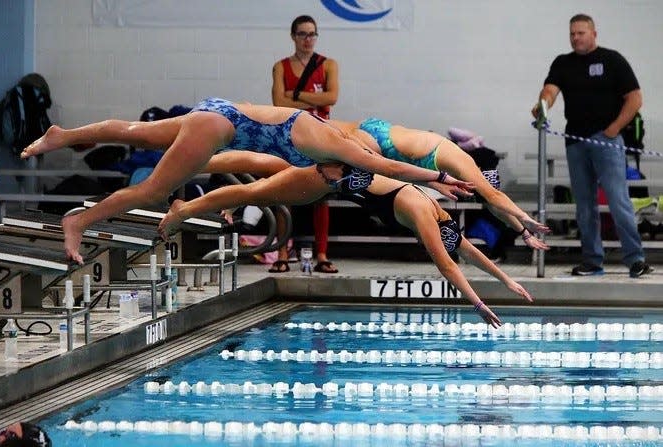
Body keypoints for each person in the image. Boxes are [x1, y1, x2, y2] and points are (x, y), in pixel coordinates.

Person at [20, 98, 450, 264]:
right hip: (217, 128)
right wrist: (439, 177)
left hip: (218, 114)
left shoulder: (330, 143)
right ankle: (79, 221)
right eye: (339, 180)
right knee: (153, 188)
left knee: (136, 131)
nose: (329, 181)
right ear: (344, 167)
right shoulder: (339, 150)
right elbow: (390, 169)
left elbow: (251, 158)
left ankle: (64, 135)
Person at [160, 151, 536, 327]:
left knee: (265, 176)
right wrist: (477, 304)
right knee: (260, 186)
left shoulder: (439, 212)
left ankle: (196, 175)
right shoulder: (425, 216)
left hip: (342, 179)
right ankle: (185, 200)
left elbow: (466, 250)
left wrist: (507, 280)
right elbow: (447, 264)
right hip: (332, 178)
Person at [532, 13, 652, 278]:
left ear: (594, 34)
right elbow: (550, 91)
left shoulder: (612, 60)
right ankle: (592, 261)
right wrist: (542, 105)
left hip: (606, 141)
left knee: (618, 201)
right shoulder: (563, 63)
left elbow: (634, 98)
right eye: (572, 33)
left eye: (581, 33)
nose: (576, 37)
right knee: (584, 206)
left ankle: (635, 259)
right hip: (576, 142)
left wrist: (614, 129)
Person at [325, 118, 551, 246]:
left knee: (322, 134)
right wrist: (526, 218)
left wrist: (523, 233)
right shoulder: (463, 163)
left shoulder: (453, 171)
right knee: (324, 151)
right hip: (380, 141)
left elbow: (492, 202)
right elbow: (495, 197)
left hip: (383, 138)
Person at [271, 15, 340, 273]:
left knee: (322, 196)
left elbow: (331, 97)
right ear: (293, 36)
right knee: (281, 193)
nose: (308, 39)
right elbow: (279, 103)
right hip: (290, 137)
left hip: (321, 138)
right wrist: (314, 101)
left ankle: (321, 254)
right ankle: (281, 251)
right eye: (303, 34)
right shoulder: (281, 67)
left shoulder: (328, 65)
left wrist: (295, 96)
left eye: (312, 34)